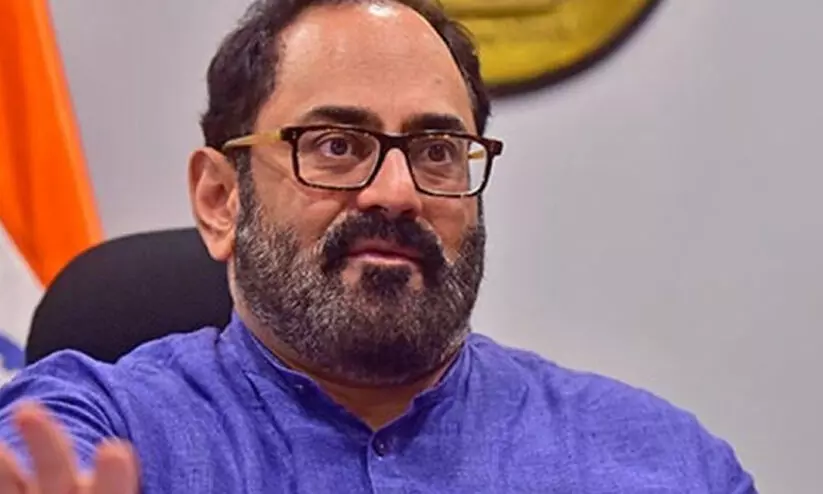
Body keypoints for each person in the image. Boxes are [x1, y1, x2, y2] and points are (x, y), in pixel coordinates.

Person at [0, 0, 757, 492]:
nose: (396, 193)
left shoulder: (659, 461)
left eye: (436, 151)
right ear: (220, 199)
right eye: (335, 144)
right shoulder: (98, 427)